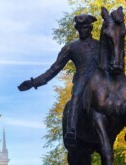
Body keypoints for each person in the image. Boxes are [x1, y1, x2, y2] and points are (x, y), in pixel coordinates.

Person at [18, 14, 99, 149]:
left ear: (90, 28)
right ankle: (72, 129)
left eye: (86, 27)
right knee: (76, 96)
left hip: (100, 79)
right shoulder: (71, 47)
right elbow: (54, 69)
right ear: (77, 29)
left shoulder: (101, 45)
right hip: (83, 79)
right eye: (80, 28)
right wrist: (33, 83)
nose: (83, 30)